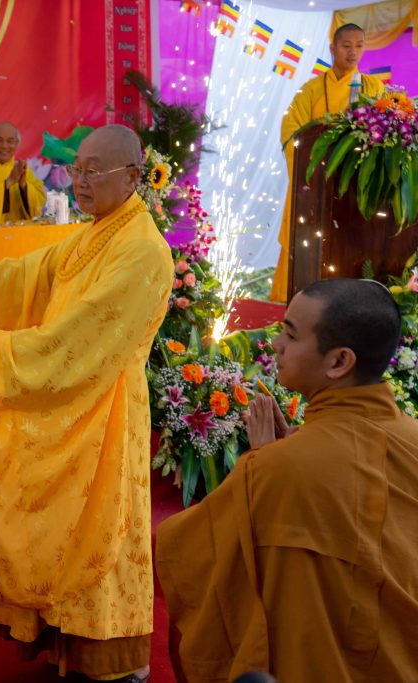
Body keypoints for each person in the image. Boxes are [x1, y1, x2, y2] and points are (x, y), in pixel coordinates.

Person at [0, 125, 173, 681]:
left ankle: (111, 660)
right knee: (63, 527)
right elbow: (33, 279)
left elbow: (82, 340)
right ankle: (65, 646)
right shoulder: (97, 233)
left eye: (95, 171)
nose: (80, 182)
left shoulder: (140, 249)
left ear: (134, 176)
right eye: (76, 169)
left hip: (104, 408)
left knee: (100, 535)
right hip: (72, 402)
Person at [157, 279, 418, 682]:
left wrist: (264, 463)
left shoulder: (275, 469)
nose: (276, 344)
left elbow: (181, 552)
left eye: (291, 334)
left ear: (338, 362)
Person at [270, 23, 384, 302]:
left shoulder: (375, 87)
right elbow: (290, 132)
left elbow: (386, 126)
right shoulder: (310, 90)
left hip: (356, 189)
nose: (353, 51)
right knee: (309, 252)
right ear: (333, 48)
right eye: (346, 45)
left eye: (359, 45)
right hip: (317, 187)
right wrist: (316, 165)